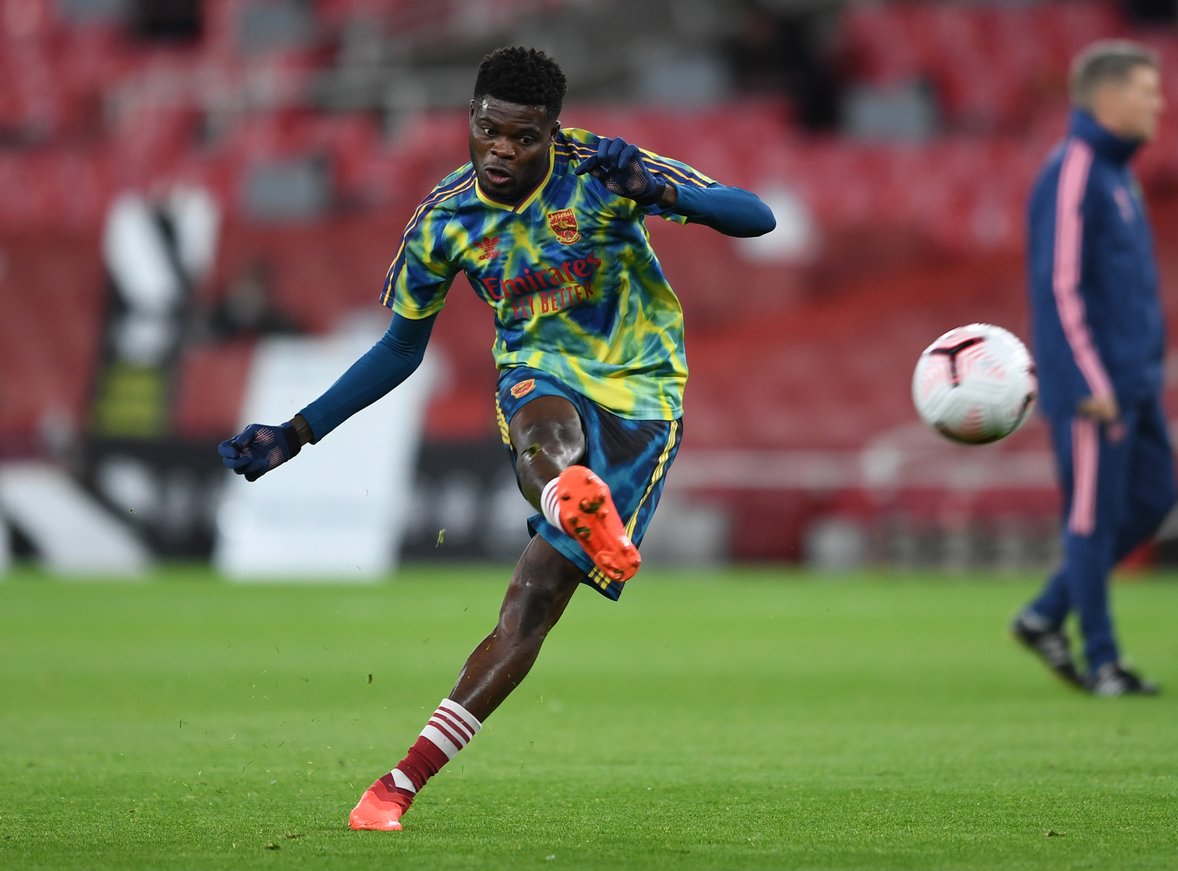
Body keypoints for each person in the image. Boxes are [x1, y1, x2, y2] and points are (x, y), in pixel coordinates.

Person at [217, 46, 775, 829]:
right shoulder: (445, 220)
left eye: (523, 137)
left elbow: (756, 216)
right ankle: (392, 790)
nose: (502, 151)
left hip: (645, 392)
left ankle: (406, 776)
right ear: (469, 122)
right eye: (488, 131)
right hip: (539, 373)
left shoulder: (601, 170)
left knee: (532, 601)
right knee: (540, 428)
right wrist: (300, 431)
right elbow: (398, 350)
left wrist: (653, 187)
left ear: (553, 133)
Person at [1011, 40, 1177, 696]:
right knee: (1091, 517)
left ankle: (1046, 612)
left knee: (1154, 497)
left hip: (1136, 380)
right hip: (1097, 388)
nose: (1159, 103)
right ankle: (1104, 660)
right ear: (1107, 98)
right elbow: (1059, 285)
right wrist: (1087, 380)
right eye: (1146, 91)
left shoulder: (1118, 173)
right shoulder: (1076, 169)